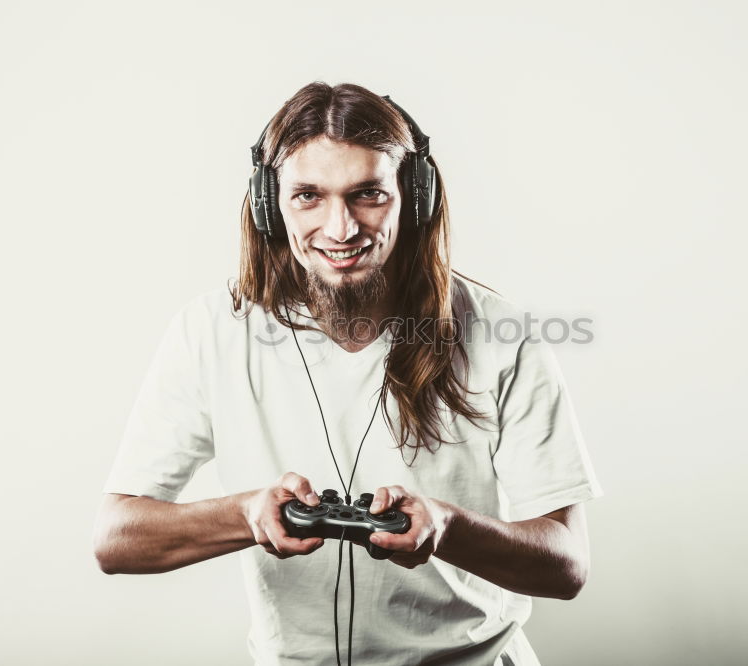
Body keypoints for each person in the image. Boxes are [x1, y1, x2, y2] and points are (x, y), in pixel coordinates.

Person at [93, 81, 603, 665]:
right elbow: (116, 539)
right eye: (308, 196)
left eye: (368, 195)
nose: (340, 229)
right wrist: (245, 514)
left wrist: (447, 527)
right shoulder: (209, 331)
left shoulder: (502, 335)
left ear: (414, 197)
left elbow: (567, 565)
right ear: (268, 204)